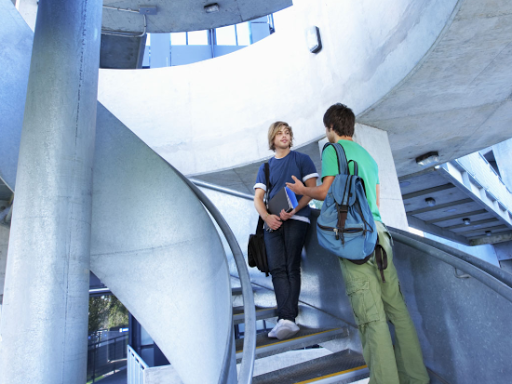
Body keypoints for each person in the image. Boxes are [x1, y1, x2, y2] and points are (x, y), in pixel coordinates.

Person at [286, 104, 429, 384]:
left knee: (371, 318)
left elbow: (327, 190)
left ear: (330, 128)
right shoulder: (369, 158)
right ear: (351, 126)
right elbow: (374, 203)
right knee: (398, 312)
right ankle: (416, 378)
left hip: (355, 240)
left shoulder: (332, 150)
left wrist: (303, 191)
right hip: (380, 235)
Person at [254, 121, 319, 340]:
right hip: (272, 222)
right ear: (272, 139)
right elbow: (258, 199)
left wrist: (294, 210)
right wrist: (267, 217)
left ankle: (288, 318)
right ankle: (285, 319)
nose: (284, 136)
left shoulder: (302, 160)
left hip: (297, 218)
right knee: (276, 268)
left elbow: (312, 191)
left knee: (291, 266)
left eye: (288, 132)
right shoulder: (265, 167)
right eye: (280, 133)